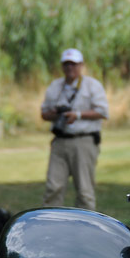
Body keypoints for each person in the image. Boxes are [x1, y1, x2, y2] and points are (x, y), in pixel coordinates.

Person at [40, 47, 108, 209]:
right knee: (53, 187)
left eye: (74, 64)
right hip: (60, 141)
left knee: (84, 190)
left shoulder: (92, 85)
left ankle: (85, 227)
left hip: (83, 141)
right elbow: (44, 114)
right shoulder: (55, 86)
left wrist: (77, 115)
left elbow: (103, 112)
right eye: (67, 64)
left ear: (81, 65)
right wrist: (57, 113)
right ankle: (50, 224)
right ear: (62, 66)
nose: (70, 67)